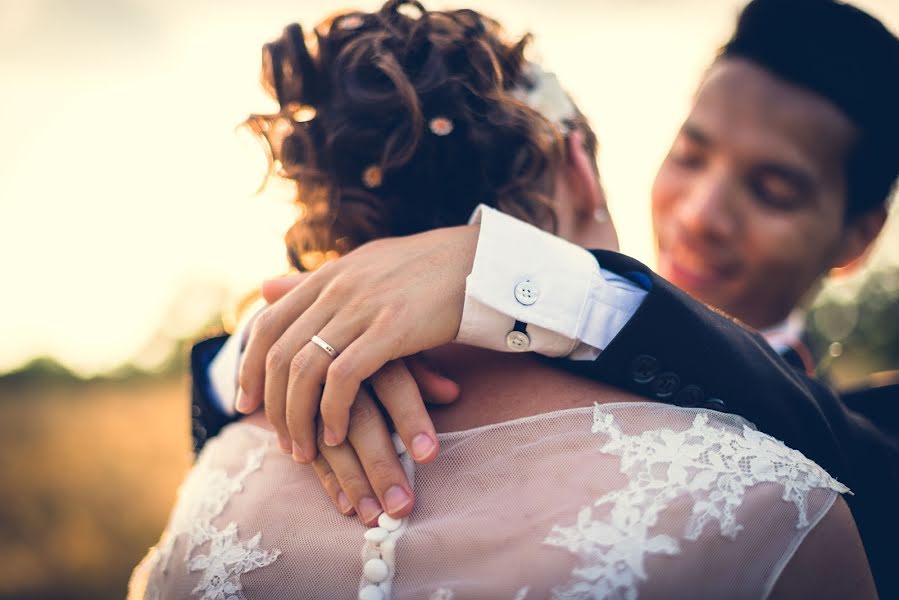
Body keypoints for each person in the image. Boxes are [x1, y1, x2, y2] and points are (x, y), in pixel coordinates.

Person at [130, 3, 875, 598]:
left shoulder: (857, 447)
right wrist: (298, 343)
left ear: (860, 238)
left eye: (774, 190)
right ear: (581, 166)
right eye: (687, 155)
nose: (699, 213)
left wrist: (522, 276)